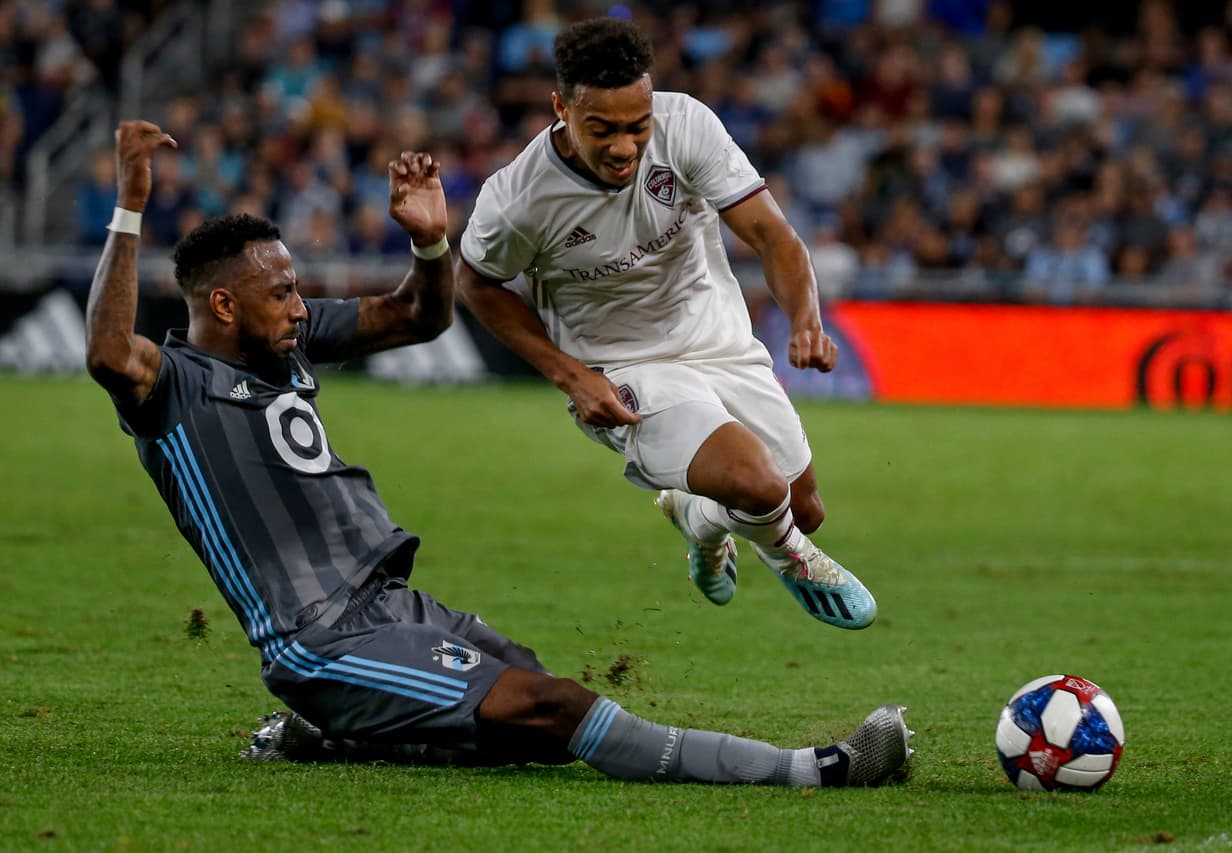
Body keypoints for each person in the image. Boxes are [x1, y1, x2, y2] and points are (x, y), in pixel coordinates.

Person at [85, 120, 913, 785]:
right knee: (553, 706)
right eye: (281, 293)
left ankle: (335, 737)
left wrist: (430, 246)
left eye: (298, 287)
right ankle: (816, 769)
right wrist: (131, 203)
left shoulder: (289, 345)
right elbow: (107, 353)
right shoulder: (173, 386)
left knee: (527, 704)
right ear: (222, 305)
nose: (300, 305)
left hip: (392, 605)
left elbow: (419, 316)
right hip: (322, 639)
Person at [457, 17, 875, 629]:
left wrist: (806, 319)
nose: (625, 147)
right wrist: (570, 376)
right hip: (621, 366)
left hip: (717, 337)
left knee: (803, 506)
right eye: (602, 129)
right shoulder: (520, 199)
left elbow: (772, 234)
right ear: (561, 109)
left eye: (637, 126)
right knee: (761, 492)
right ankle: (795, 561)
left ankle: (699, 521)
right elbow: (477, 283)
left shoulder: (686, 126)